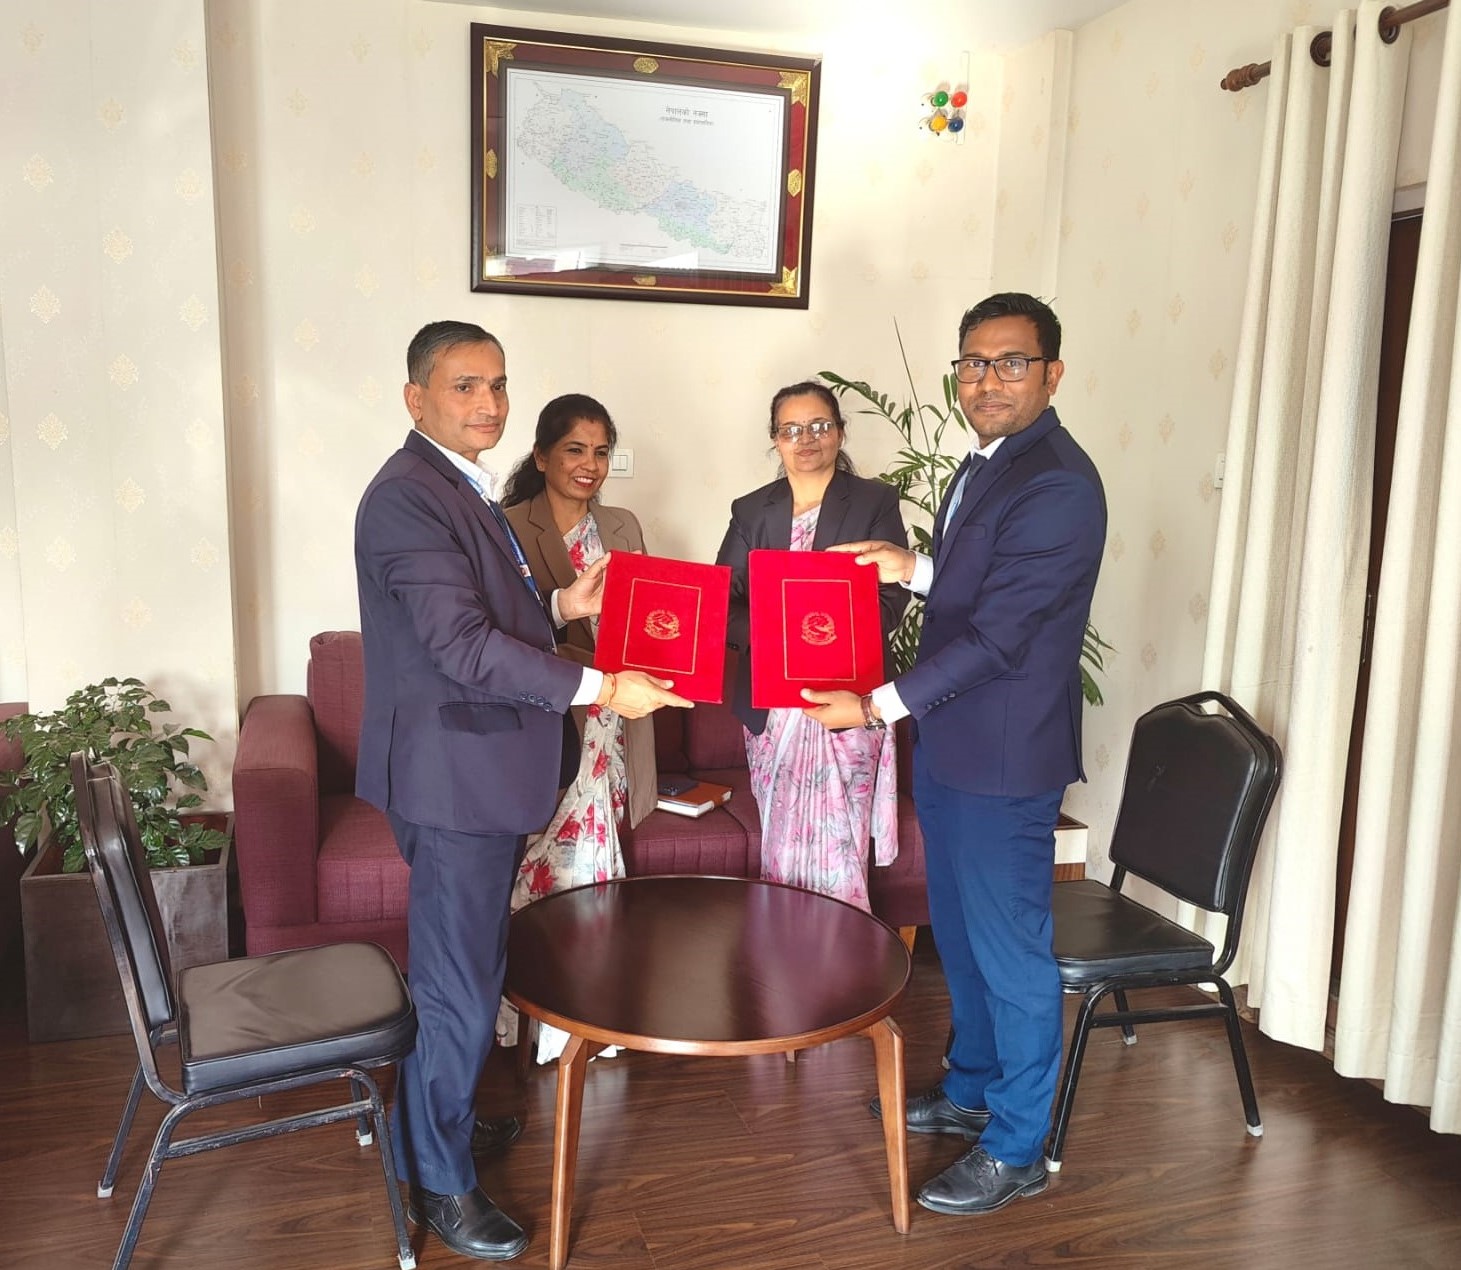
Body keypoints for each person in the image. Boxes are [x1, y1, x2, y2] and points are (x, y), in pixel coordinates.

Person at [354, 321, 689, 1262]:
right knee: (458, 984)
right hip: (452, 780)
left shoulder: (459, 485)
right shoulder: (407, 498)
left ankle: (439, 1126)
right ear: (416, 397)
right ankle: (440, 1180)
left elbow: (484, 616)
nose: (489, 403)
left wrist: (559, 607)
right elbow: (458, 646)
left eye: (498, 384)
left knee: (469, 968)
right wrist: (599, 685)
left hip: (476, 775)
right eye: (464, 386)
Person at [803, 294, 1106, 1216]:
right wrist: (914, 569)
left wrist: (876, 707)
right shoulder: (985, 464)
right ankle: (971, 1087)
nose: (987, 380)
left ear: (1052, 374)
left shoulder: (1058, 482)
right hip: (950, 745)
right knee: (962, 937)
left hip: (1004, 759)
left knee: (1010, 954)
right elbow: (981, 588)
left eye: (1010, 363)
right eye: (973, 363)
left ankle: (1015, 1147)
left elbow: (1002, 636)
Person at [494, 393, 653, 1063]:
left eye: (600, 452)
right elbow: (504, 635)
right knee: (540, 870)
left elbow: (651, 619)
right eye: (574, 450)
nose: (589, 464)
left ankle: (586, 1015)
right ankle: (532, 1013)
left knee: (595, 867)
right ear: (541, 456)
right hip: (544, 726)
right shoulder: (505, 526)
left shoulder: (622, 525)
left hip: (615, 724)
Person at [715, 381, 910, 910]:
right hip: (773, 706)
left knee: (842, 848)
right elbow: (722, 602)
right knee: (782, 848)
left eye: (819, 426)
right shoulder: (752, 511)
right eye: (791, 429)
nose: (806, 439)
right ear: (775, 439)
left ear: (840, 432)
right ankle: (782, 952)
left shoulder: (873, 501)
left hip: (847, 700)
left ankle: (841, 952)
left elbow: (891, 599)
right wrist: (778, 639)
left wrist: (826, 641)